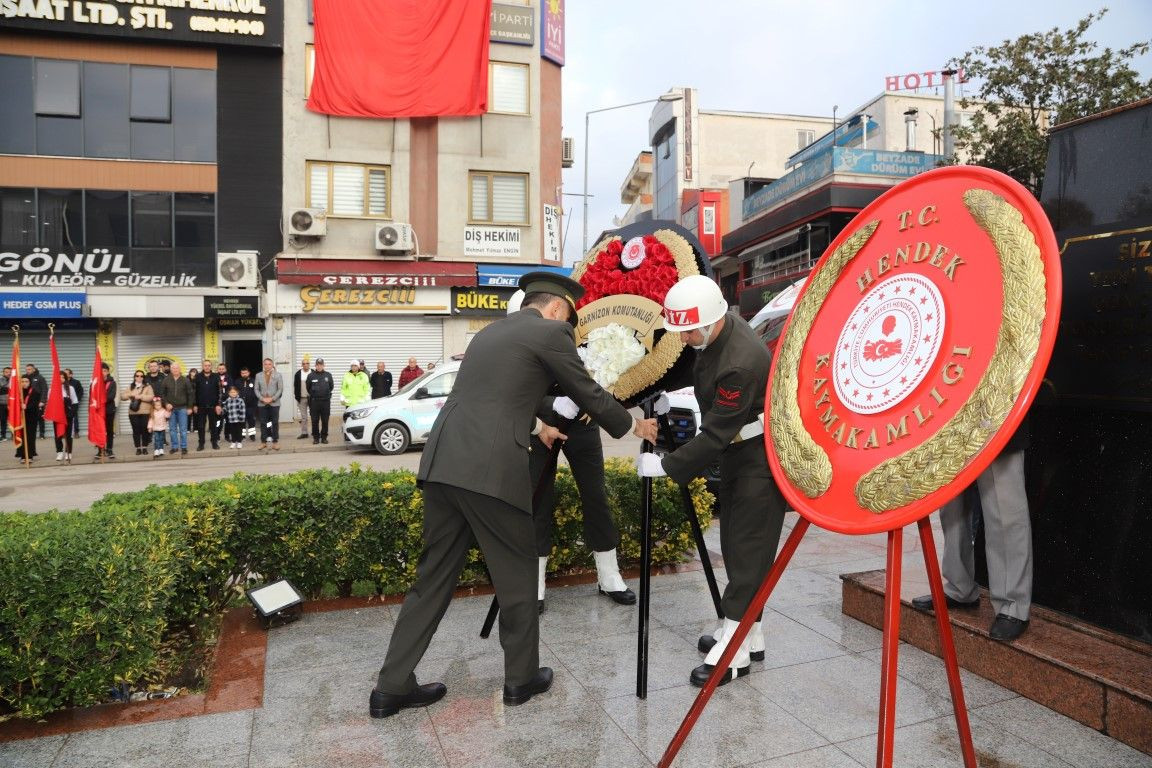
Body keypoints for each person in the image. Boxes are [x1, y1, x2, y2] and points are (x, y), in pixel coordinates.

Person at [370, 272, 658, 719]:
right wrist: (634, 425)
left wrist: (537, 425)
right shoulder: (551, 332)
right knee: (519, 573)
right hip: (489, 473)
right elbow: (586, 390)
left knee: (432, 579)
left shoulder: (488, 333)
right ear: (558, 309)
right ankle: (521, 678)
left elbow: (493, 400)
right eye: (569, 319)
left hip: (443, 464)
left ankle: (391, 686)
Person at [637, 275, 786, 688]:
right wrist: (678, 395)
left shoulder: (741, 360)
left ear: (711, 321)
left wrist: (667, 466)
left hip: (757, 458)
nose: (684, 338)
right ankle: (748, 633)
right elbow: (703, 376)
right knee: (739, 547)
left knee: (747, 550)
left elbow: (717, 433)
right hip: (740, 453)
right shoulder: (714, 333)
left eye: (689, 331)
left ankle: (734, 655)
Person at [911, 421, 1033, 641]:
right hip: (954, 407)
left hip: (999, 404)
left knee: (1003, 506)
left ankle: (1012, 605)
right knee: (951, 506)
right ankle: (959, 587)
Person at [158, 363, 193, 457]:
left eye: (177, 368)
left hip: (182, 408)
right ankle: (174, 447)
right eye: (173, 368)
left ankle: (184, 447)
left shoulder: (185, 380)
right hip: (171, 409)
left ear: (180, 369)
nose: (175, 369)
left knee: (183, 429)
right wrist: (166, 404)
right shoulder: (166, 380)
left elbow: (190, 394)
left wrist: (190, 407)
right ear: (171, 369)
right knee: (172, 429)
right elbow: (162, 394)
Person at [121, 370, 154, 456]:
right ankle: (138, 448)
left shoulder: (148, 386)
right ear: (134, 377)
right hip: (133, 412)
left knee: (145, 430)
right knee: (136, 431)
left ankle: (145, 447)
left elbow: (151, 397)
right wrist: (129, 395)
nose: (139, 377)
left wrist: (141, 397)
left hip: (145, 412)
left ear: (144, 377)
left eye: (141, 376)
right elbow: (122, 396)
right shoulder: (131, 386)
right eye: (137, 376)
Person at [53, 369, 83, 463]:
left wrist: (71, 413)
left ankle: (68, 452)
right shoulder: (52, 389)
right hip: (57, 415)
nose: (61, 379)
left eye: (63, 377)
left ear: (65, 378)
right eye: (59, 377)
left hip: (68, 415)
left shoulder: (70, 388)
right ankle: (59, 452)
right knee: (58, 434)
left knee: (68, 434)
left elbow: (75, 402)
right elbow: (50, 404)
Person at [254, 357, 283, 450]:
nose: (267, 366)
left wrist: (272, 398)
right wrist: (262, 398)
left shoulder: (278, 375)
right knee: (263, 423)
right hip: (262, 403)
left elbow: (280, 389)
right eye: (265, 364)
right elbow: (256, 389)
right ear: (263, 365)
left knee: (275, 423)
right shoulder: (258, 375)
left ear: (272, 365)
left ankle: (275, 442)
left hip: (274, 403)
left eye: (269, 364)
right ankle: (263, 442)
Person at [194, 359, 221, 451]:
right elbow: (194, 392)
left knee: (213, 426)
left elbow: (219, 392)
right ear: (202, 366)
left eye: (209, 365)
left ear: (211, 366)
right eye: (205, 365)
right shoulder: (197, 377)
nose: (207, 367)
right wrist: (194, 405)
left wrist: (218, 405)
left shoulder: (216, 376)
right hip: (201, 406)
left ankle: (214, 443)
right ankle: (201, 444)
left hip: (213, 406)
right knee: (201, 426)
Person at [305, 358, 334, 444]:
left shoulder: (328, 375)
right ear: (315, 366)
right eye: (317, 365)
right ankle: (316, 438)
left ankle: (324, 437)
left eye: (321, 364)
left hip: (325, 402)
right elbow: (308, 388)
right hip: (314, 402)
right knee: (315, 421)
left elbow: (331, 386)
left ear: (323, 365)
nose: (319, 366)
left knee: (325, 420)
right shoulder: (311, 376)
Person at [14, 375, 39, 461]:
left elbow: (35, 404)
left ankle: (30, 455)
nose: (24, 383)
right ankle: (22, 455)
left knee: (30, 436)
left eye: (26, 381)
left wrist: (26, 407)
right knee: (21, 435)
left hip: (31, 417)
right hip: (20, 418)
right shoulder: (18, 393)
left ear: (30, 382)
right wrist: (20, 406)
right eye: (22, 381)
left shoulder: (35, 392)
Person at [96, 362, 118, 460]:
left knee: (109, 431)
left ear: (108, 372)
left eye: (105, 371)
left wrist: (101, 400)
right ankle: (100, 450)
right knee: (99, 431)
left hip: (109, 410)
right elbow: (92, 397)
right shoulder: (95, 382)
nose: (103, 372)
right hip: (98, 411)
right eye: (101, 371)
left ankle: (109, 449)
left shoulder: (112, 383)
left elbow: (111, 396)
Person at [237, 366, 259, 441]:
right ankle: (242, 436)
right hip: (240, 406)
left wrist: (255, 402)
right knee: (242, 421)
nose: (244, 374)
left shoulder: (254, 381)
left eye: (245, 373)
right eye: (242, 373)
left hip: (251, 406)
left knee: (251, 421)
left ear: (249, 373)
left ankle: (252, 436)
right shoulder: (237, 382)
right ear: (241, 374)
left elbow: (257, 392)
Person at [25, 363, 46, 438]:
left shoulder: (40, 378)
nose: (28, 371)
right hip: (27, 402)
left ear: (34, 369)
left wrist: (42, 401)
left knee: (40, 418)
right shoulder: (24, 378)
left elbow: (44, 389)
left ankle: (42, 434)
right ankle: (28, 433)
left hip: (38, 401)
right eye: (26, 369)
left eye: (29, 369)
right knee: (28, 417)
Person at [293, 357, 311, 439]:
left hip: (312, 398)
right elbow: (295, 386)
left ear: (309, 364)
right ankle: (304, 433)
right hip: (301, 398)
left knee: (314, 416)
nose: (305, 365)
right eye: (304, 363)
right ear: (301, 365)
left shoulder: (313, 372)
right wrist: (297, 397)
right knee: (304, 417)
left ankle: (315, 432)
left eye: (307, 363)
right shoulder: (298, 374)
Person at [63, 368, 83, 438]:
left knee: (74, 417)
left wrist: (77, 400)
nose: (64, 375)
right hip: (64, 404)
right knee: (64, 418)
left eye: (66, 373)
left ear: (71, 375)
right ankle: (64, 432)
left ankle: (76, 432)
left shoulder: (76, 382)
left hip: (73, 404)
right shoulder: (62, 382)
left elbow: (80, 392)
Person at [0, 366, 9, 441]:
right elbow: (4, 388)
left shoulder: (14, 379)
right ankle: (3, 435)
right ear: (3, 373)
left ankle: (15, 435)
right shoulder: (0, 379)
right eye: (6, 372)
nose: (8, 373)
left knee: (14, 420)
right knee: (3, 420)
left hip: (12, 404)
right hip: (2, 403)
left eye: (9, 372)